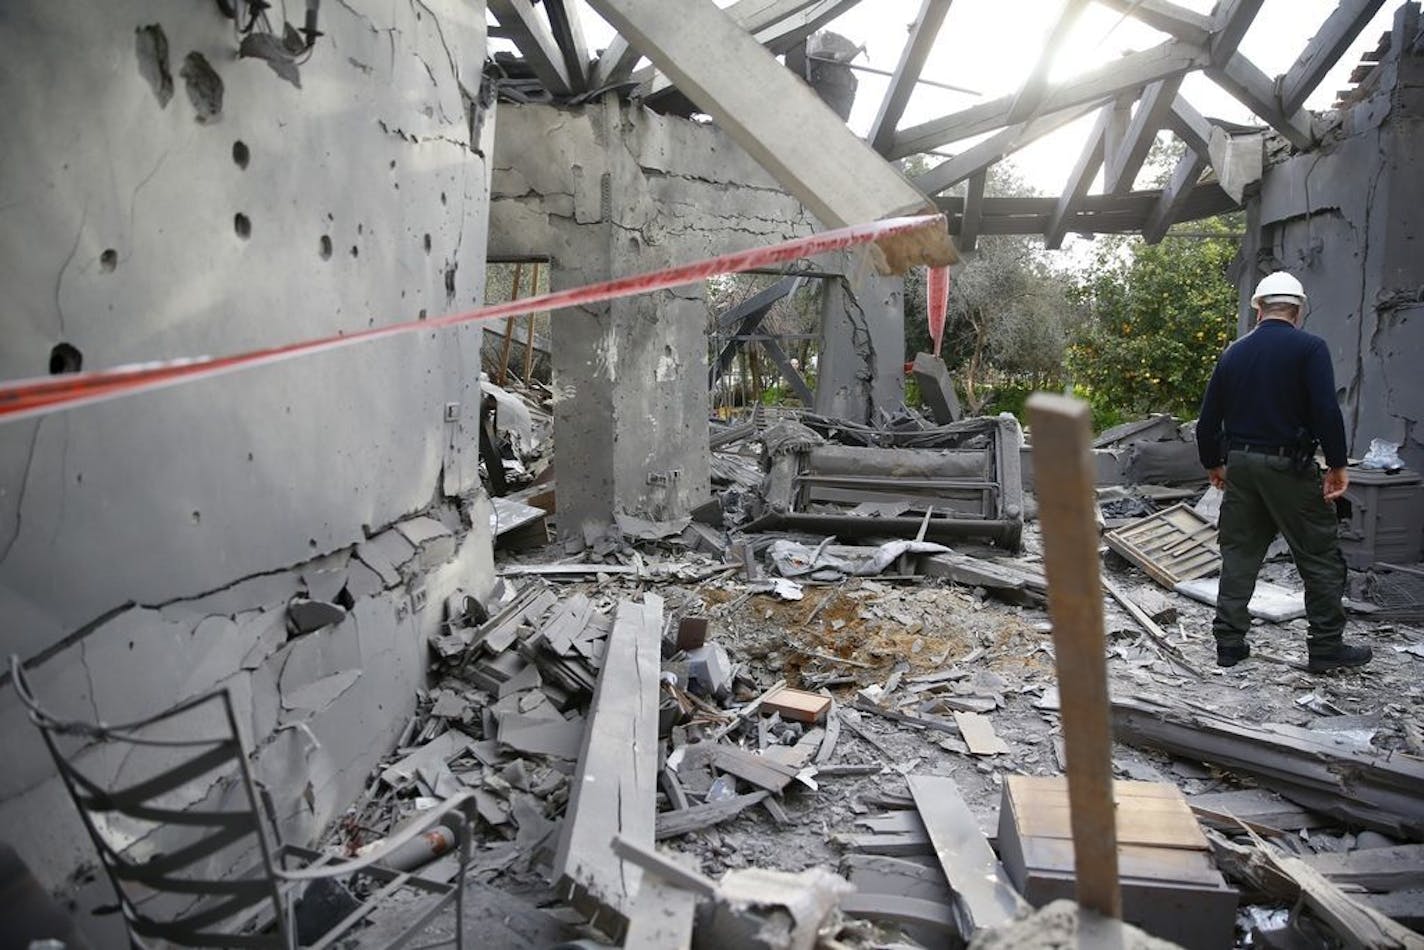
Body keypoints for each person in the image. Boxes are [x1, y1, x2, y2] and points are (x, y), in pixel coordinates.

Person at [1196, 271, 1371, 672]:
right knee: (1319, 556)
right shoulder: (1310, 348)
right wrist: (1338, 464)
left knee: (1240, 552)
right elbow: (1326, 410)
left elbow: (1208, 422)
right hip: (1288, 466)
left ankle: (1229, 644)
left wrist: (1215, 464)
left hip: (1240, 464)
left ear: (1257, 307)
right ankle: (1326, 647)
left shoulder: (1233, 353)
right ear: (1297, 309)